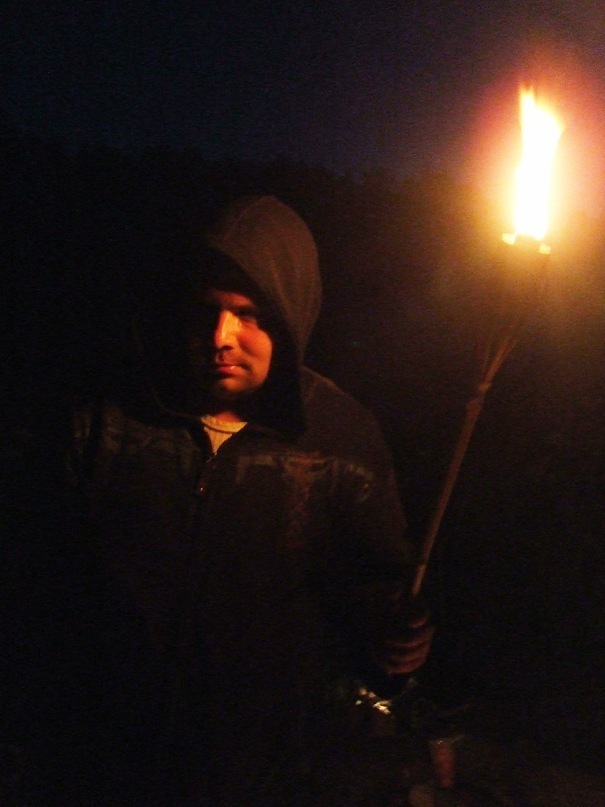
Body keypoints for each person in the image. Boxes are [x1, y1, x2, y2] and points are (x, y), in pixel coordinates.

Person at [3, 195, 433, 805]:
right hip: (98, 759)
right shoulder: (104, 419)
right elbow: (34, 573)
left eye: (250, 314)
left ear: (291, 316)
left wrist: (396, 639)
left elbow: (374, 587)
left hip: (264, 771)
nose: (220, 337)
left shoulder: (340, 437)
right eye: (207, 310)